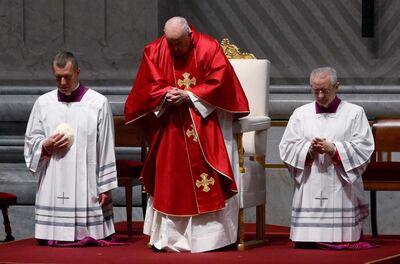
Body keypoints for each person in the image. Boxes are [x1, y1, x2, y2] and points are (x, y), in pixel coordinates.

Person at [125, 16, 249, 252]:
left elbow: (220, 81)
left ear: (189, 35)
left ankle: (211, 239)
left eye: (179, 43)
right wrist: (163, 95)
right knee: (170, 180)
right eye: (170, 43)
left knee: (206, 181)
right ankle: (169, 238)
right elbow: (146, 85)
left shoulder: (209, 47)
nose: (174, 49)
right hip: (169, 126)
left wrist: (191, 95)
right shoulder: (155, 49)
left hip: (204, 124)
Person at [24, 51, 117, 244]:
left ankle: (85, 232)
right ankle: (54, 234)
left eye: (68, 76)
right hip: (54, 174)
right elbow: (31, 138)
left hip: (87, 176)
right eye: (58, 77)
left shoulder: (97, 103)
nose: (63, 82)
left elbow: (106, 145)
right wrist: (45, 145)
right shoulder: (43, 103)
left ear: (78, 72)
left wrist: (106, 187)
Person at [279, 67, 375, 249]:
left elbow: (364, 145)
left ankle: (340, 236)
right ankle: (308, 236)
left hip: (339, 179)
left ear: (336, 86)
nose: (321, 95)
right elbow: (287, 145)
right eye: (316, 91)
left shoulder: (354, 113)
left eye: (325, 91)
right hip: (311, 177)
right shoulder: (300, 113)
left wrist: (335, 149)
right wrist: (308, 148)